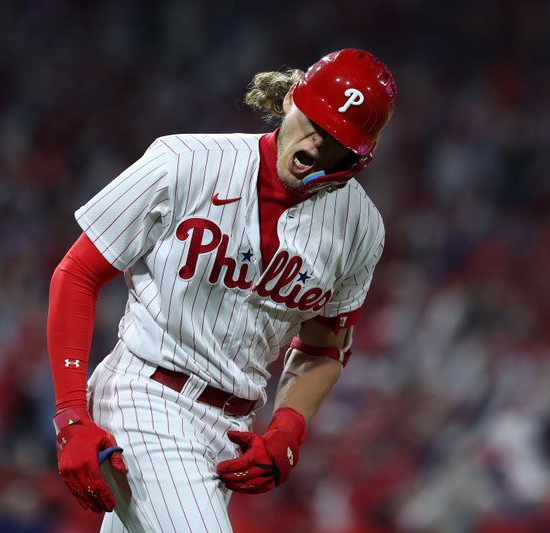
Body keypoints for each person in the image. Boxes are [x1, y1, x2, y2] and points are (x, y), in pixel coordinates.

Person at [47, 48, 397, 532]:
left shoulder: (360, 229)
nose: (317, 143)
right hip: (146, 396)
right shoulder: (186, 162)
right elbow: (77, 273)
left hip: (228, 433)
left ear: (361, 156)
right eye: (314, 120)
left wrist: (289, 425)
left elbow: (324, 347)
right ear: (292, 98)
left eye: (338, 139)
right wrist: (69, 414)